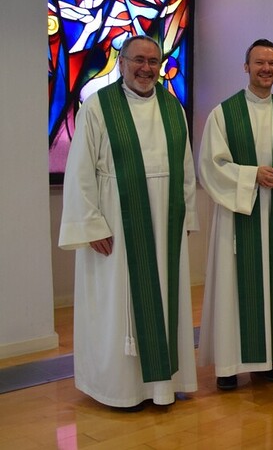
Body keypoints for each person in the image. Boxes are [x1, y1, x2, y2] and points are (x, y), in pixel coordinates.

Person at [58, 35, 198, 410]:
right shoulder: (98, 107)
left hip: (165, 223)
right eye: (138, 60)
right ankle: (120, 389)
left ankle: (163, 385)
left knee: (165, 300)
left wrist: (185, 215)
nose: (146, 68)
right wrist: (91, 224)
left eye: (153, 61)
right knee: (117, 306)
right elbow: (80, 171)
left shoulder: (172, 107)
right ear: (121, 63)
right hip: (116, 223)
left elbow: (185, 168)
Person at [197, 39, 273, 391]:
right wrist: (252, 176)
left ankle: (266, 361)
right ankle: (228, 365)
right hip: (239, 215)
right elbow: (211, 165)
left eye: (272, 63)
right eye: (259, 62)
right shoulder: (223, 114)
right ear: (246, 67)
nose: (266, 69)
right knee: (232, 287)